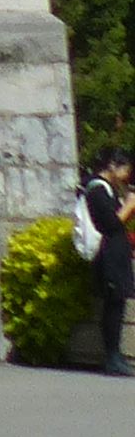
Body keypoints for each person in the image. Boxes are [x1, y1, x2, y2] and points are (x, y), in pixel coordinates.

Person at [82, 148, 135, 378]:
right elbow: (110, 224)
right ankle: (112, 357)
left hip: (116, 254)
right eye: (125, 169)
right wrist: (129, 205)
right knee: (113, 305)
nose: (126, 175)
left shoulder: (108, 189)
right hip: (108, 256)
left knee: (118, 304)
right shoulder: (97, 189)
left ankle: (116, 356)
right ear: (113, 165)